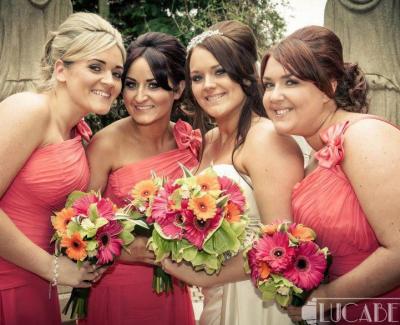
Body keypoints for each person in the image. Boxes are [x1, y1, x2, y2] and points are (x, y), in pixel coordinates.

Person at [162, 20, 304, 325]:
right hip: (216, 295)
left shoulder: (267, 139)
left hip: (256, 298)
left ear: (245, 75)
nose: (208, 85)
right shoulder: (209, 140)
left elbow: (282, 244)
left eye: (219, 71)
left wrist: (200, 275)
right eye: (197, 77)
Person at [261, 25, 400, 324]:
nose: (274, 96)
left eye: (291, 81)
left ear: (330, 86)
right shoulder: (313, 159)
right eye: (268, 84)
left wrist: (322, 300)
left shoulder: (364, 136)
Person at [0, 12, 125, 325]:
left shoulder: (75, 130)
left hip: (36, 285)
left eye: (116, 72)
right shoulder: (30, 109)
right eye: (95, 67)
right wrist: (53, 267)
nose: (109, 81)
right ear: (61, 70)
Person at [80, 32, 198, 325]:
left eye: (154, 85)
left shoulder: (191, 142)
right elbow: (79, 223)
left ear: (178, 88)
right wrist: (122, 249)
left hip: (173, 285)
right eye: (131, 84)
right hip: (115, 287)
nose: (139, 97)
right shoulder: (105, 144)